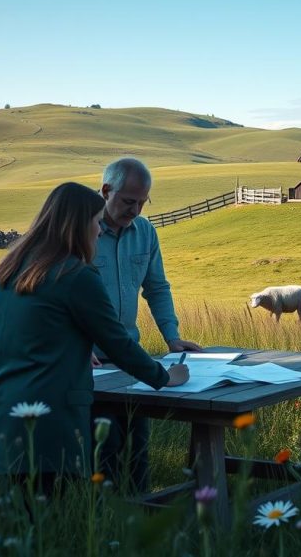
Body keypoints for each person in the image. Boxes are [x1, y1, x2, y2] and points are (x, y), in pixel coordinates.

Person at [0, 182, 189, 492]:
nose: (100, 231)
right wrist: (166, 376)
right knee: (59, 517)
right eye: (95, 222)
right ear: (76, 225)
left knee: (22, 522)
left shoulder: (13, 268)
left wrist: (75, 343)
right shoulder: (75, 275)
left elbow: (27, 331)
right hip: (47, 416)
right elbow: (119, 343)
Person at [91, 157, 202, 492]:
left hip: (129, 355)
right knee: (103, 442)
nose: (136, 210)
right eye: (128, 201)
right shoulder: (83, 230)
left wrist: (172, 336)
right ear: (106, 190)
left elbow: (156, 287)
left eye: (143, 202)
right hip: (90, 360)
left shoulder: (146, 232)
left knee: (138, 443)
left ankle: (141, 516)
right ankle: (103, 519)